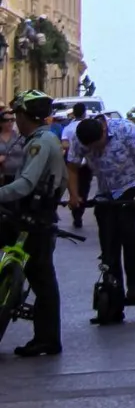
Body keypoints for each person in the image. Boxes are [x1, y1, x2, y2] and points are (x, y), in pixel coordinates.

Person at [0, 91, 66, 357]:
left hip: (36, 216)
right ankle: (47, 338)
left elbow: (26, 184)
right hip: (33, 213)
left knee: (42, 279)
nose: (15, 119)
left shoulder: (42, 142)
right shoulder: (37, 140)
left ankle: (48, 339)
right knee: (42, 278)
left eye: (17, 114)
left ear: (25, 116)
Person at [66, 113, 135, 299]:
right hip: (105, 190)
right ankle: (113, 284)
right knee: (107, 236)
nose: (94, 150)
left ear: (104, 130)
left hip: (131, 185)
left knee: (125, 227)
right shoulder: (79, 137)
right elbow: (72, 166)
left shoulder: (125, 129)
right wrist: (74, 195)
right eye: (90, 148)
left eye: (97, 145)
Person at [60, 105, 90, 229]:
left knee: (73, 187)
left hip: (71, 161)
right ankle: (79, 212)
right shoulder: (88, 126)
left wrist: (72, 147)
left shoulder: (67, 128)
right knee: (84, 187)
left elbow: (64, 144)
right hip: (86, 162)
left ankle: (76, 211)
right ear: (84, 113)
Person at [0, 106, 25, 184]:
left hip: (18, 176)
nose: (10, 122)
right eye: (6, 120)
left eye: (12, 120)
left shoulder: (20, 137)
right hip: (2, 177)